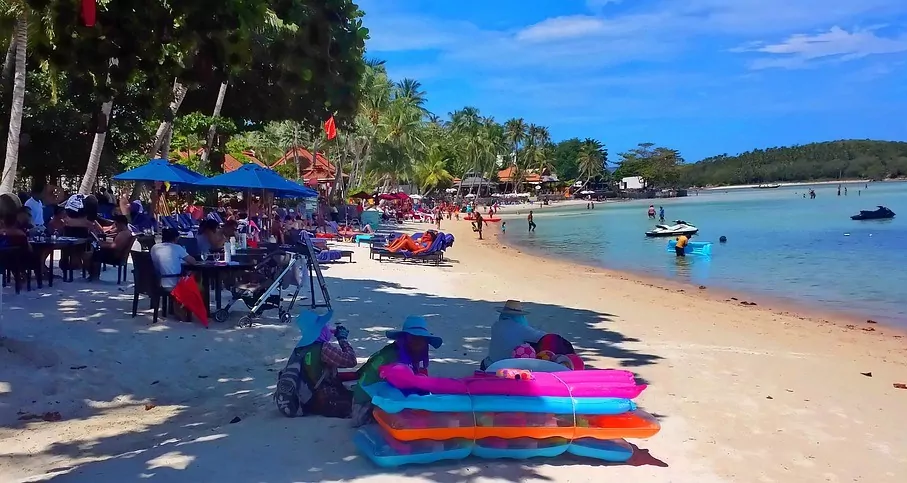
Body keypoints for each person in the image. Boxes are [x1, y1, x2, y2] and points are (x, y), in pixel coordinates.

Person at [351, 316, 443, 427]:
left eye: (421, 339)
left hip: (376, 401)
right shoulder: (394, 357)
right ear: (404, 339)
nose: (418, 343)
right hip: (364, 410)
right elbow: (402, 390)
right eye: (413, 338)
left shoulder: (407, 354)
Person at [275, 310, 358, 418]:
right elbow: (351, 360)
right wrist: (342, 339)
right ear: (319, 329)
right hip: (325, 400)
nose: (327, 327)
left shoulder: (299, 349)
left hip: (308, 400)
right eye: (325, 326)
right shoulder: (323, 348)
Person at [483, 300, 546, 369]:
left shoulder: (496, 325)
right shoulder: (521, 328)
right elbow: (542, 336)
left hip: (490, 365)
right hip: (508, 367)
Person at [87, 215, 134, 280]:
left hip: (116, 257)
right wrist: (102, 242)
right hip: (117, 254)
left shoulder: (123, 234)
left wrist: (102, 245)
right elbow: (115, 244)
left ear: (121, 223)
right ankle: (94, 274)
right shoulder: (127, 232)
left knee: (93, 253)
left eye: (116, 224)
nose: (116, 226)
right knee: (96, 251)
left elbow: (115, 246)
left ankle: (94, 275)